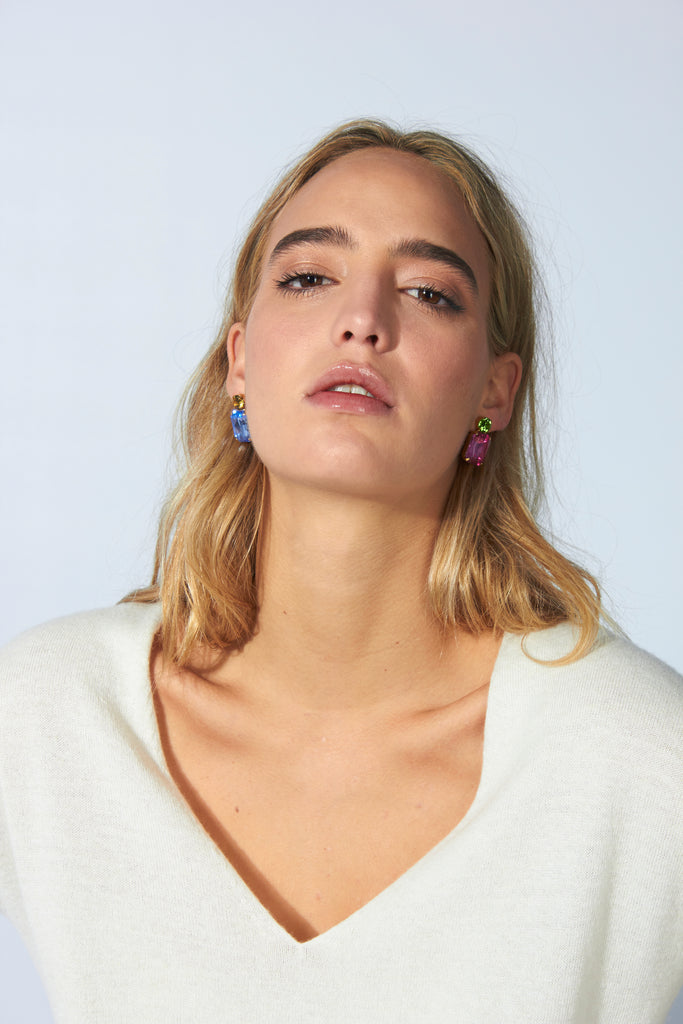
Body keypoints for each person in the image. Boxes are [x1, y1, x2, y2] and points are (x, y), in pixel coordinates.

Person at [0, 120, 681, 1023]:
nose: (362, 320)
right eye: (308, 277)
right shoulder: (49, 717)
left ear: (494, 392)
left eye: (429, 293)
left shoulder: (641, 759)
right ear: (239, 361)